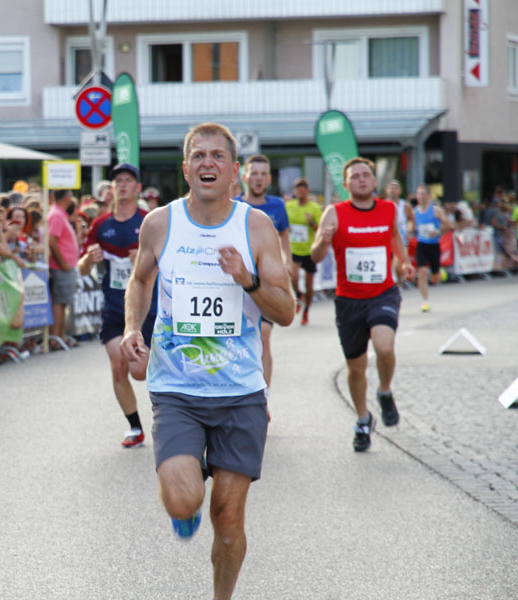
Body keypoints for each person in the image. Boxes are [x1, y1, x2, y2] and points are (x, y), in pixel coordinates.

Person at [120, 123, 293, 600]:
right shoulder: (160, 223)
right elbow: (140, 279)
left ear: (234, 170)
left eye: (218, 156)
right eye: (199, 155)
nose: (208, 163)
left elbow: (286, 311)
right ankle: (185, 502)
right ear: (185, 168)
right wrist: (133, 328)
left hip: (240, 393)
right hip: (177, 389)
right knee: (182, 502)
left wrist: (247, 279)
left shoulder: (255, 227)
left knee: (229, 519)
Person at [311, 157, 414, 451]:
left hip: (383, 293)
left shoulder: (388, 209)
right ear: (346, 184)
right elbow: (316, 256)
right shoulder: (334, 212)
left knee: (384, 346)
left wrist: (404, 261)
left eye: (365, 175)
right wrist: (323, 242)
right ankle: (362, 418)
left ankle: (384, 391)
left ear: (373, 180)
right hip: (349, 300)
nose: (361, 179)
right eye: (354, 176)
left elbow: (394, 236)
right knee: (355, 368)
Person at [78, 163, 156, 448]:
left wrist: (144, 263)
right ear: (111, 189)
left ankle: (170, 414)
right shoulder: (100, 225)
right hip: (114, 308)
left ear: (137, 188)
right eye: (117, 181)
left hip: (146, 308)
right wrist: (89, 259)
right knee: (118, 366)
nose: (122, 184)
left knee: (139, 371)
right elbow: (82, 268)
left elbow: (168, 264)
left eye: (128, 180)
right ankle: (135, 427)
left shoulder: (149, 222)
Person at [235, 154, 291, 397]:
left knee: (264, 336)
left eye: (263, 174)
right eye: (254, 173)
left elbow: (284, 235)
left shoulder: (277, 205)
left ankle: (263, 396)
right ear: (245, 177)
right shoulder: (234, 206)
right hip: (239, 284)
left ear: (269, 178)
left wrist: (287, 261)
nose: (258, 178)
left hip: (266, 283)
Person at [284, 178, 323, 325]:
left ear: (307, 191)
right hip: (294, 249)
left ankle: (306, 310)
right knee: (293, 278)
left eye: (302, 191)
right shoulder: (289, 206)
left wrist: (311, 222)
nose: (300, 193)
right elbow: (283, 225)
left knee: (309, 284)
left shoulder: (314, 208)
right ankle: (298, 295)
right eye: (298, 191)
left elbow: (320, 230)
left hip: (309, 251)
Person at [412, 185, 453, 312]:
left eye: (424, 194)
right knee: (422, 273)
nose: (421, 196)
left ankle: (439, 272)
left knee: (435, 279)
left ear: (428, 196)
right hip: (421, 245)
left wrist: (437, 231)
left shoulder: (436, 210)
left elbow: (449, 226)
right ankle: (425, 301)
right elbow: (411, 227)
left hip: (434, 246)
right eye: (419, 194)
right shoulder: (414, 212)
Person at [48, 189, 79, 349]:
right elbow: (52, 240)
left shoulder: (59, 214)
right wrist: (62, 262)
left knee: (63, 302)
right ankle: (55, 338)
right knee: (59, 302)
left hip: (64, 266)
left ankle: (60, 336)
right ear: (67, 198)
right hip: (60, 267)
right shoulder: (56, 215)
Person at [386, 180, 414, 286]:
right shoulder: (382, 205)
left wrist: (409, 230)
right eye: (390, 187)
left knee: (398, 266)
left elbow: (411, 220)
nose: (393, 190)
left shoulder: (405, 206)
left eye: (395, 187)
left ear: (400, 191)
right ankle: (390, 286)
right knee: (387, 266)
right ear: (387, 190)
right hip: (386, 239)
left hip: (401, 240)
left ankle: (398, 284)